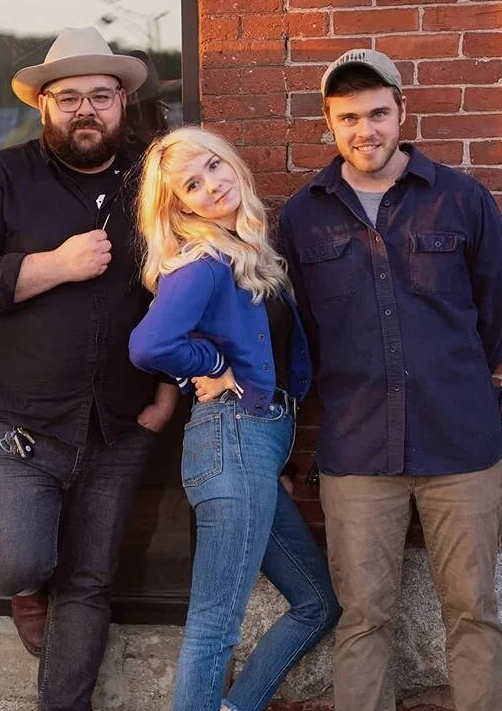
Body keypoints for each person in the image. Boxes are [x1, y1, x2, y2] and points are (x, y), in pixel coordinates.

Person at [0, 27, 179, 711]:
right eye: (68, 97)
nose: (84, 110)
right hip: (18, 417)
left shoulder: (153, 182)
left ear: (123, 102)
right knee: (14, 559)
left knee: (90, 582)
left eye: (100, 95)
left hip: (118, 422)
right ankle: (26, 584)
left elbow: (186, 288)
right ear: (44, 105)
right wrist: (54, 266)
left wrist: (167, 390)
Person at [278, 49, 502, 711]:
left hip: (461, 445)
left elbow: (499, 309)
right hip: (358, 452)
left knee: (473, 611)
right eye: (349, 117)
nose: (366, 130)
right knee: (363, 617)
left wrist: (448, 375)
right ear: (329, 121)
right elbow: (299, 329)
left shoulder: (461, 199)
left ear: (401, 112)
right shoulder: (302, 217)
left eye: (378, 114)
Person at [129, 126, 340, 711]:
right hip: (232, 439)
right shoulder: (204, 261)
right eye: (192, 185)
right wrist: (214, 363)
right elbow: (150, 345)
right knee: (216, 622)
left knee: (318, 603)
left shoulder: (246, 250)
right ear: (181, 206)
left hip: (255, 447)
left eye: (214, 167)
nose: (212, 186)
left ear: (232, 163)